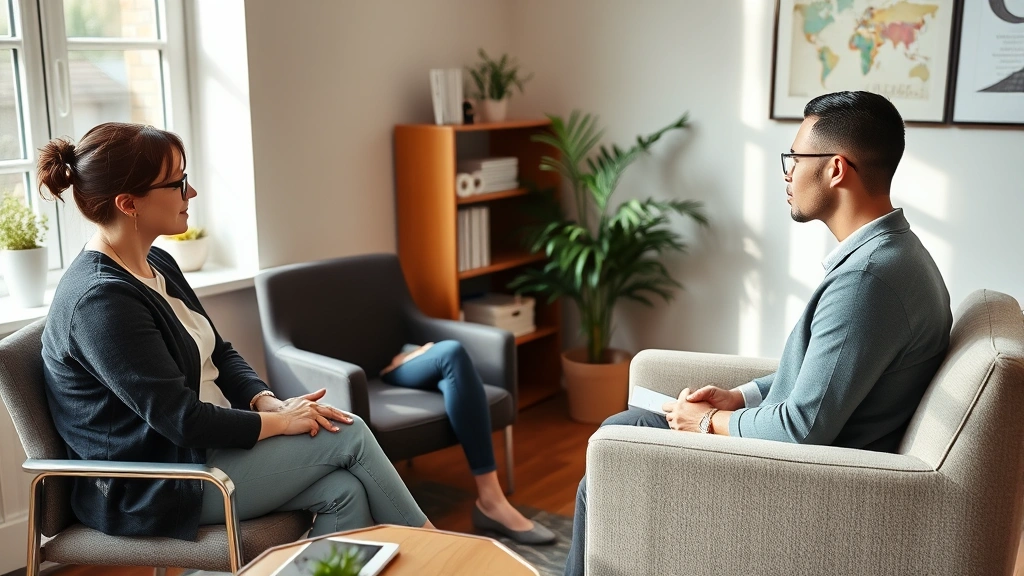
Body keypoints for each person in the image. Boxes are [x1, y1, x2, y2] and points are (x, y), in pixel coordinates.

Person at [563, 91, 953, 575]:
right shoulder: (891, 254)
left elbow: (800, 430)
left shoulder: (868, 279)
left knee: (608, 465)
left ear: (836, 168)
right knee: (622, 430)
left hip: (803, 485)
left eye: (795, 158)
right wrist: (737, 399)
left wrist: (704, 424)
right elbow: (823, 376)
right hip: (806, 461)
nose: (787, 172)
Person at [39, 122, 432, 541]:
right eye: (178, 183)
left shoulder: (157, 263)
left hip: (201, 452)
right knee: (347, 433)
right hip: (154, 484)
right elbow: (183, 422)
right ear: (128, 203)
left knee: (344, 491)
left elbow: (219, 352)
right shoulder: (101, 302)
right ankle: (442, 555)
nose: (191, 193)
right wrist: (282, 423)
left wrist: (267, 402)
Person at [380, 341, 556, 544]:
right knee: (452, 351)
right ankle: (492, 501)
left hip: (413, 352)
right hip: (394, 365)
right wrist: (411, 356)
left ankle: (491, 503)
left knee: (453, 379)